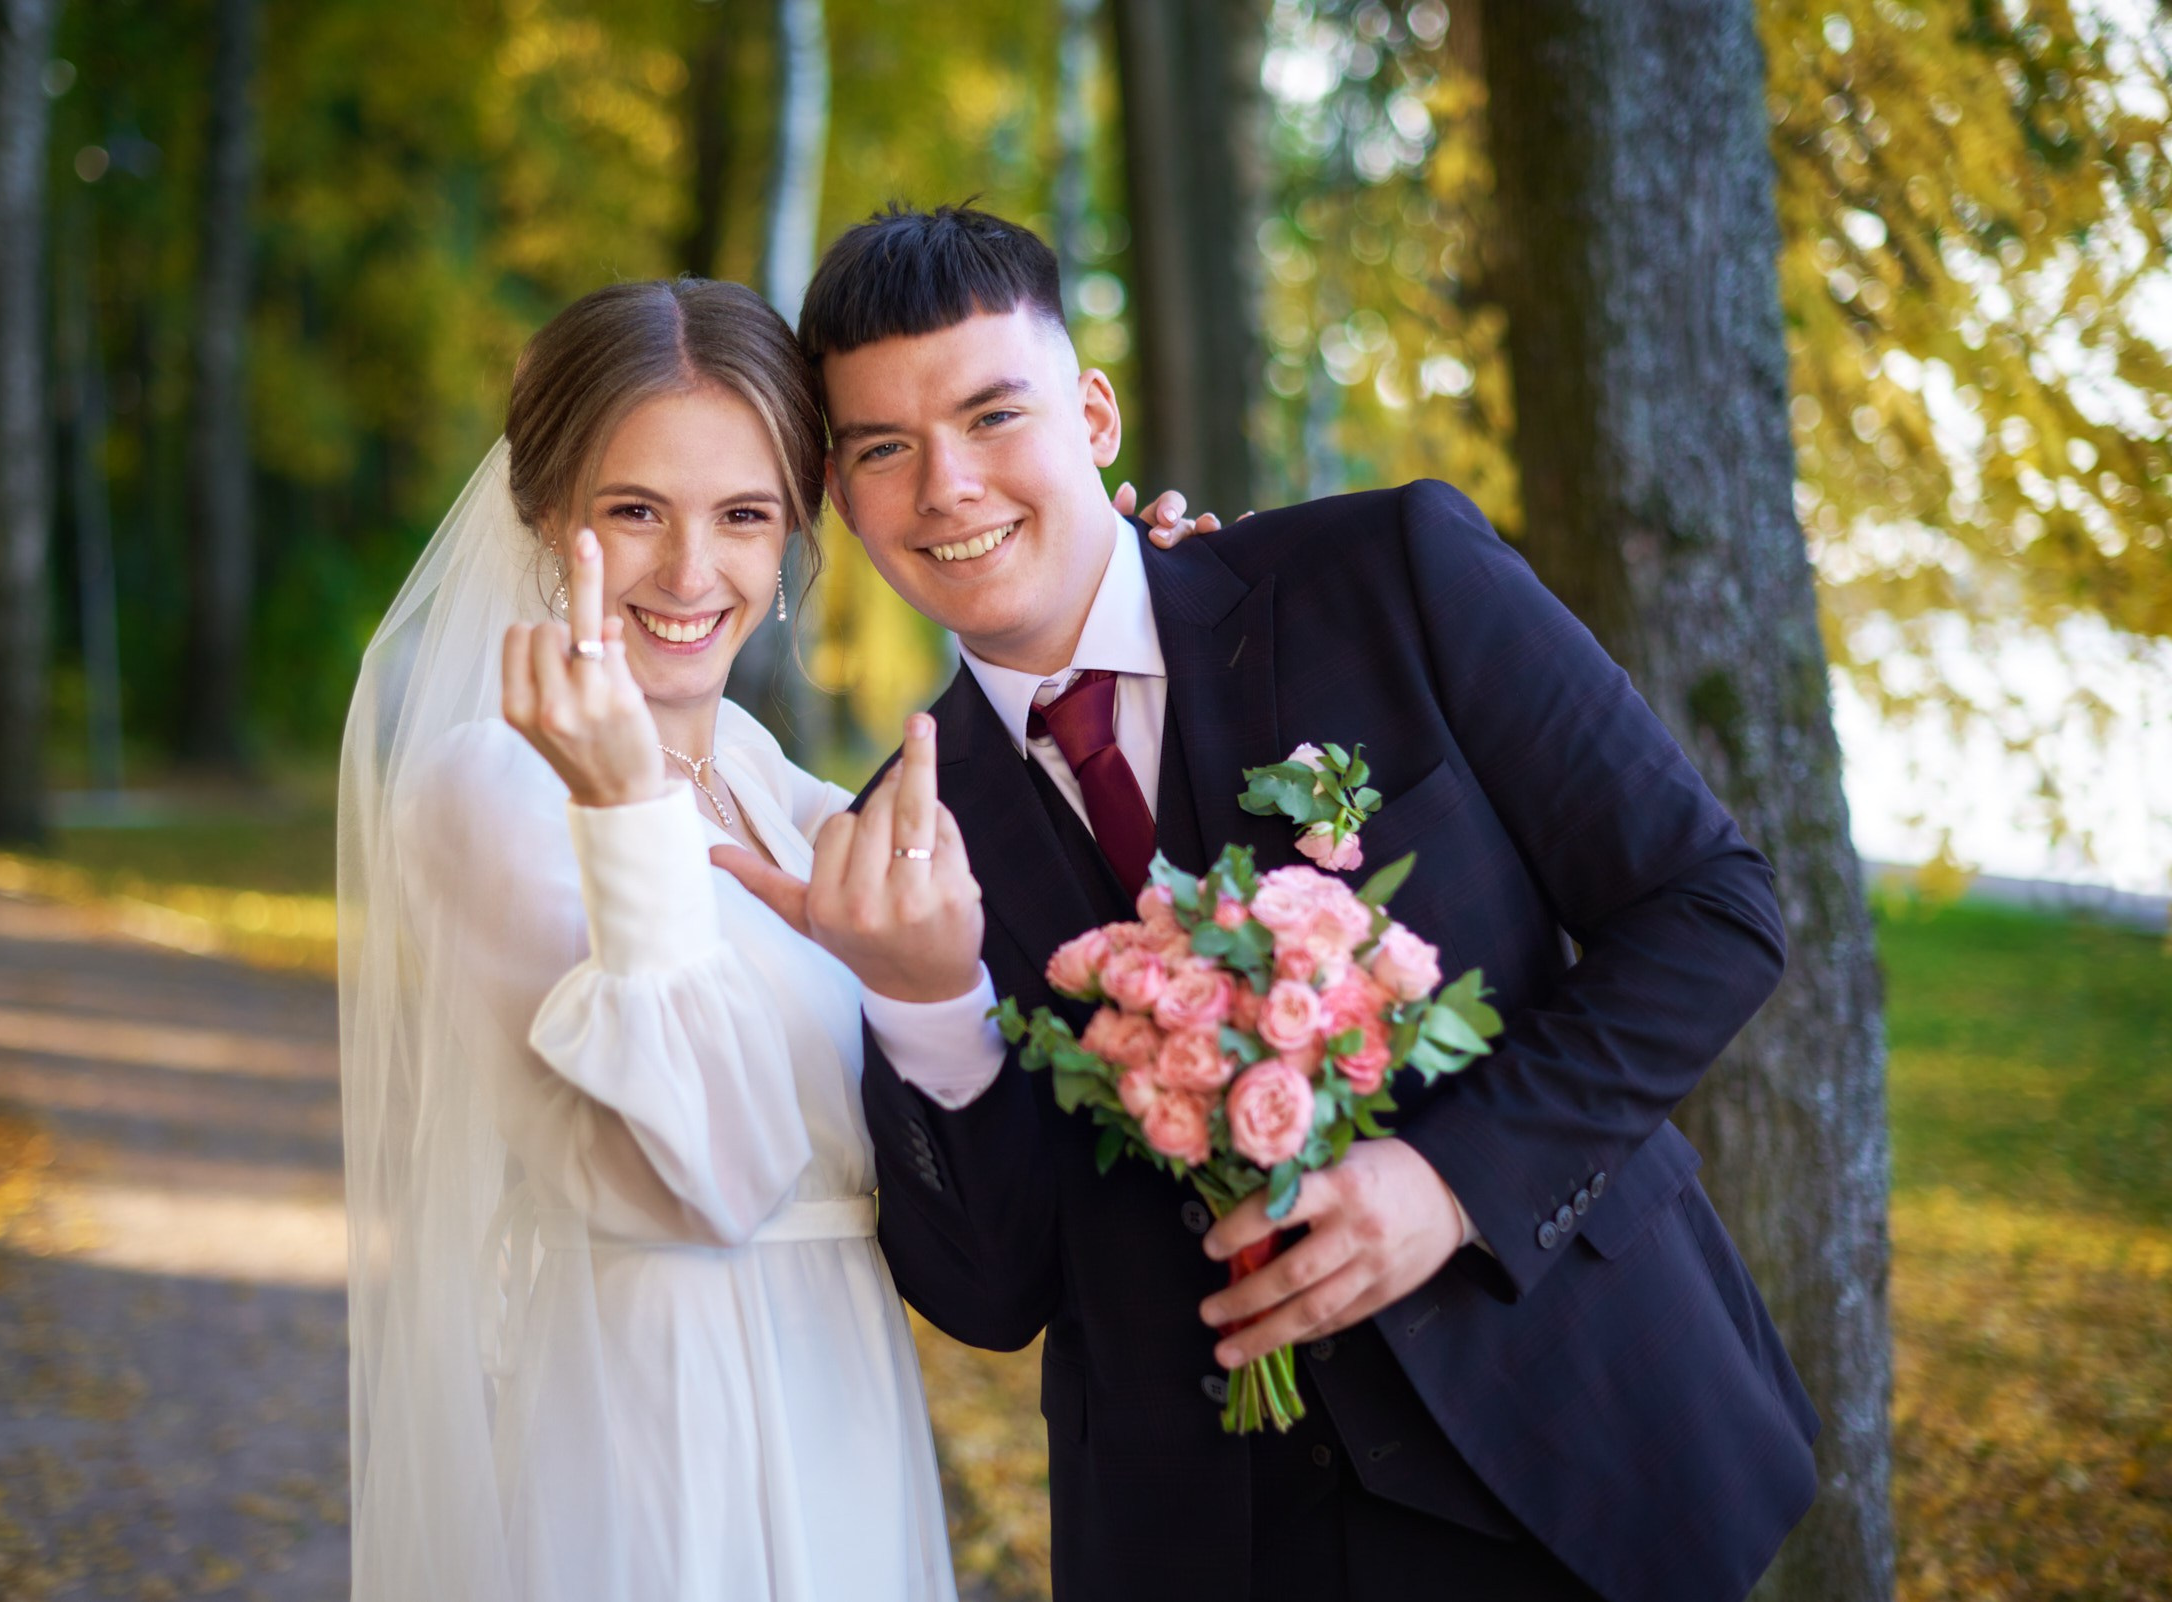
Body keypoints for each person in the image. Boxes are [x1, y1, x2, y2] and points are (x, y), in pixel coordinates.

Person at [717, 204, 1821, 1602]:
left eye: (995, 414)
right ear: (840, 489)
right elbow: (993, 1294)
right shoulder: (896, 846)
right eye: (884, 448)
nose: (947, 485)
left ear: (1095, 413)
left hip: (1584, 1441)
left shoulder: (1388, 574)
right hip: (1206, 1540)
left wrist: (1451, 1180)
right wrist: (923, 1000)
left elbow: (1710, 907)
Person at [336, 274, 1210, 1601]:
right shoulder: (494, 785)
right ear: (543, 513)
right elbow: (716, 1175)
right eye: (636, 512)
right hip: (665, 1415)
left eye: (743, 516)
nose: (694, 573)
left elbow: (995, 891)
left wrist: (1134, 593)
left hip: (833, 1384)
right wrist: (623, 804)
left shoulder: (764, 779)